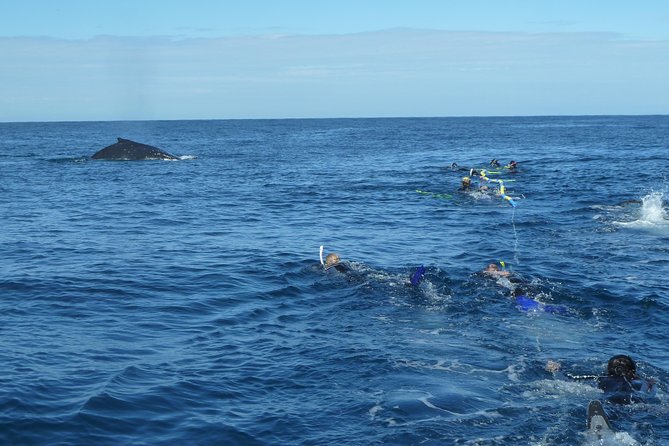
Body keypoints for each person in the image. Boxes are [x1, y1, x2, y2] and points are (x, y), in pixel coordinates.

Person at [546, 355, 657, 405]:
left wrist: (557, 369)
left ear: (608, 369)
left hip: (611, 398)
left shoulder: (601, 378)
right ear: (633, 371)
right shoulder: (644, 381)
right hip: (636, 400)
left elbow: (570, 379)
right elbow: (650, 389)